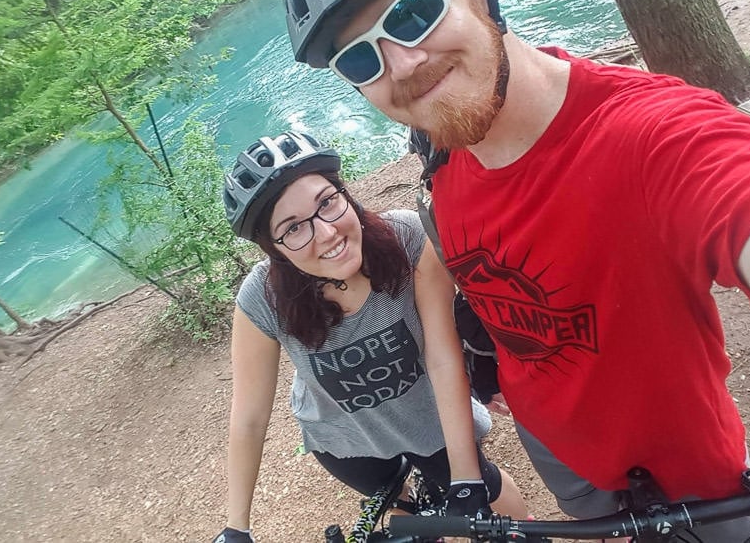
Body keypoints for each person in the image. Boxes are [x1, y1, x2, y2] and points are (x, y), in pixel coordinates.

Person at [281, 0, 750, 541]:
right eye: (359, 59)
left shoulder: (652, 137)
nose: (402, 64)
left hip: (694, 481)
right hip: (564, 460)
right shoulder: (445, 151)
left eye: (413, 10)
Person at [211, 131, 527, 542]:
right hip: (345, 440)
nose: (326, 234)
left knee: (499, 506)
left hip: (427, 420)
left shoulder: (408, 240)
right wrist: (237, 526)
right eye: (292, 229)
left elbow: (440, 355)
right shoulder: (263, 299)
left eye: (326, 202)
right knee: (406, 510)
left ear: (345, 192)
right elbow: (249, 419)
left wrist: (466, 479)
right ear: (273, 248)